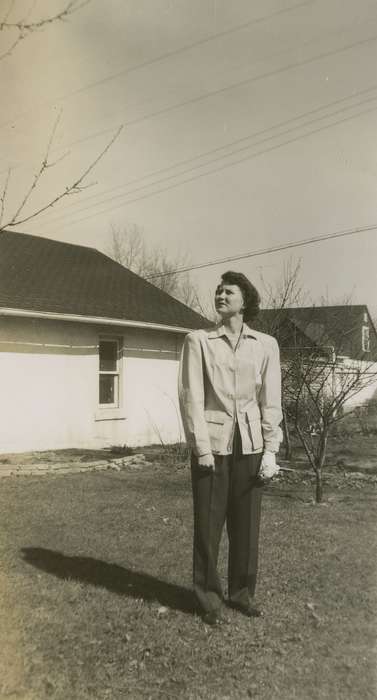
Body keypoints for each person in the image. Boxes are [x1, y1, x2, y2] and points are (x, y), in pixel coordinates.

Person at [178, 270, 282, 626]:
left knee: (246, 525)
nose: (221, 296)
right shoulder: (199, 341)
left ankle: (242, 594)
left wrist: (271, 449)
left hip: (251, 446)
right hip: (214, 445)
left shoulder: (266, 345)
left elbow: (270, 400)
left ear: (245, 301)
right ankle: (207, 599)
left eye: (229, 292)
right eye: (218, 291)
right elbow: (191, 398)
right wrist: (200, 448)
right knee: (208, 524)